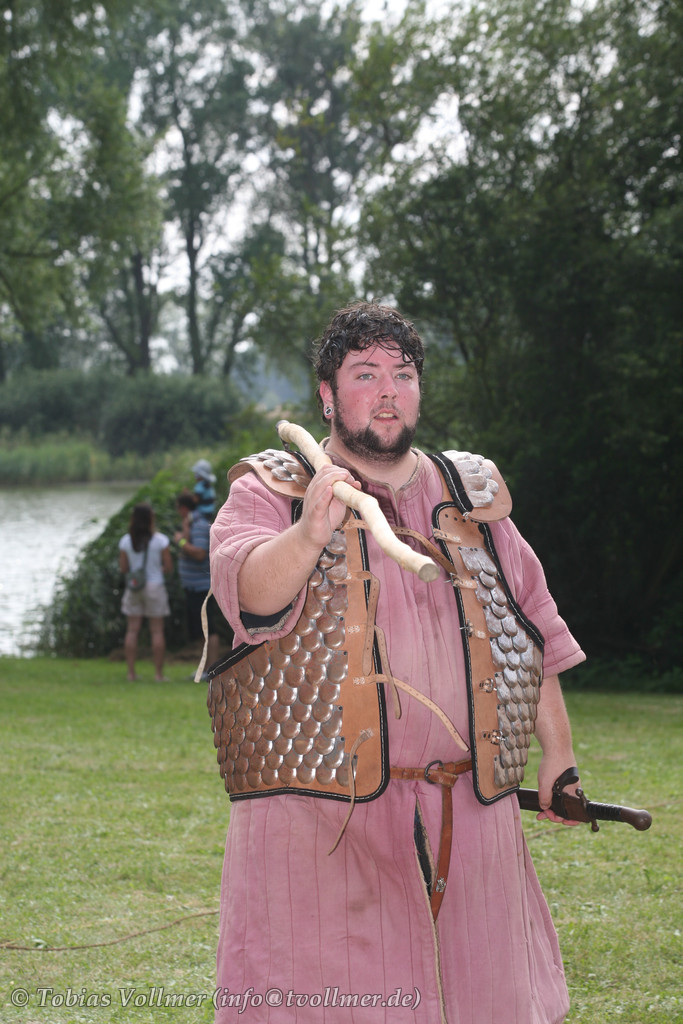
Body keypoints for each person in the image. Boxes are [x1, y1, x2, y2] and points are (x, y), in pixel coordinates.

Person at [208, 301, 586, 1024]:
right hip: (319, 822)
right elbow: (246, 593)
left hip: (468, 809)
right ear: (327, 395)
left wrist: (559, 756)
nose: (387, 391)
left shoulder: (471, 496)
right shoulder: (271, 490)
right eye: (365, 374)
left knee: (485, 1003)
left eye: (402, 374)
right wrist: (309, 531)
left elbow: (529, 627)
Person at [118, 502, 172, 682]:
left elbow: (124, 568)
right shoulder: (161, 540)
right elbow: (168, 567)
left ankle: (131, 673)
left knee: (132, 630)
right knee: (156, 631)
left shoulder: (126, 541)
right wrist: (159, 569)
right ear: (150, 519)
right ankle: (158, 674)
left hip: (134, 586)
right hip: (155, 587)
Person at [174, 492, 222, 674]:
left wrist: (180, 542)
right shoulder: (191, 524)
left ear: (183, 508)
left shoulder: (200, 525)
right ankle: (204, 668)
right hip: (193, 587)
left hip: (202, 587)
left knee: (209, 628)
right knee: (202, 629)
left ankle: (212, 669)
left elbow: (200, 553)